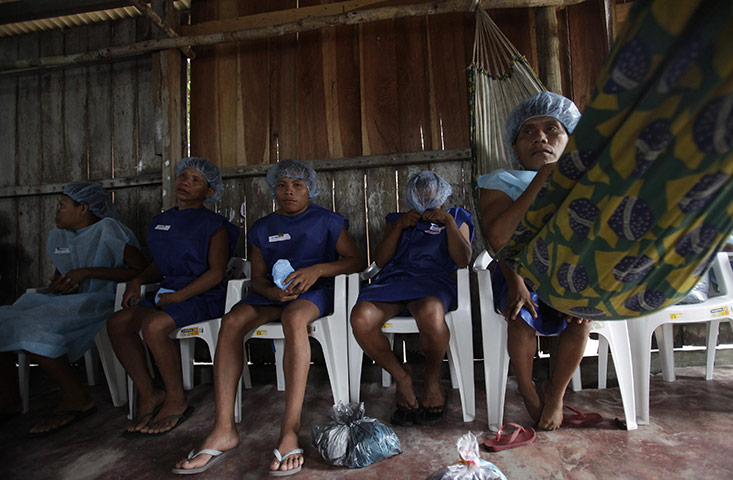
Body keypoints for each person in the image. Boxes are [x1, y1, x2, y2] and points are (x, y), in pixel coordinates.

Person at [173, 158, 364, 476]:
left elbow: (355, 261)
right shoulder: (263, 228)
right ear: (273, 189)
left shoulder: (327, 221)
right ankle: (223, 429)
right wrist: (271, 292)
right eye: (282, 185)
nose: (289, 191)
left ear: (310, 190)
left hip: (314, 294)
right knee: (231, 321)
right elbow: (258, 277)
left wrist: (317, 269)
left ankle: (290, 430)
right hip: (272, 295)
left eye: (298, 185)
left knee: (293, 318)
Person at [478, 91, 589, 431]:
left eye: (552, 129)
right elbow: (498, 239)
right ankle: (527, 390)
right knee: (520, 314)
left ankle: (555, 395)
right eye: (528, 131)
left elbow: (594, 238)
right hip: (516, 268)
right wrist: (543, 179)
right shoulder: (499, 183)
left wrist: (580, 286)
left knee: (581, 314)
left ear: (569, 139)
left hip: (571, 270)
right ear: (515, 149)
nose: (540, 136)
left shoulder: (587, 183)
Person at [0, 182, 146, 435]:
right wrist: (62, 282)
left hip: (100, 302)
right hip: (69, 301)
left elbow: (141, 269)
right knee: (4, 319)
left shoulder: (107, 230)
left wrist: (88, 272)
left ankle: (76, 397)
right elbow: (65, 270)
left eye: (63, 206)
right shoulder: (59, 236)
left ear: (83, 208)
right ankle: (8, 400)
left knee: (31, 328)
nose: (57, 212)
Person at [107, 157, 239, 436]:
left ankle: (176, 398)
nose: (186, 183)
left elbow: (216, 273)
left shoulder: (213, 225)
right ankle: (149, 393)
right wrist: (138, 279)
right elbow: (161, 262)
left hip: (203, 294)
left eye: (195, 180)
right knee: (117, 323)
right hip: (168, 292)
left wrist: (179, 297)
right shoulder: (162, 221)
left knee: (154, 326)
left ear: (210, 192)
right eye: (183, 177)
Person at [350, 171, 474, 426]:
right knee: (361, 318)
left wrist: (448, 223)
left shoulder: (457, 217)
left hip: (434, 283)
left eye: (431, 192)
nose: (426, 197)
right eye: (420, 192)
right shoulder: (399, 219)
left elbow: (463, 260)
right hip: (394, 281)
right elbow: (381, 261)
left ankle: (431, 378)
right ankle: (402, 377)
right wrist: (398, 227)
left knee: (431, 313)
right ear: (411, 195)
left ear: (442, 193)